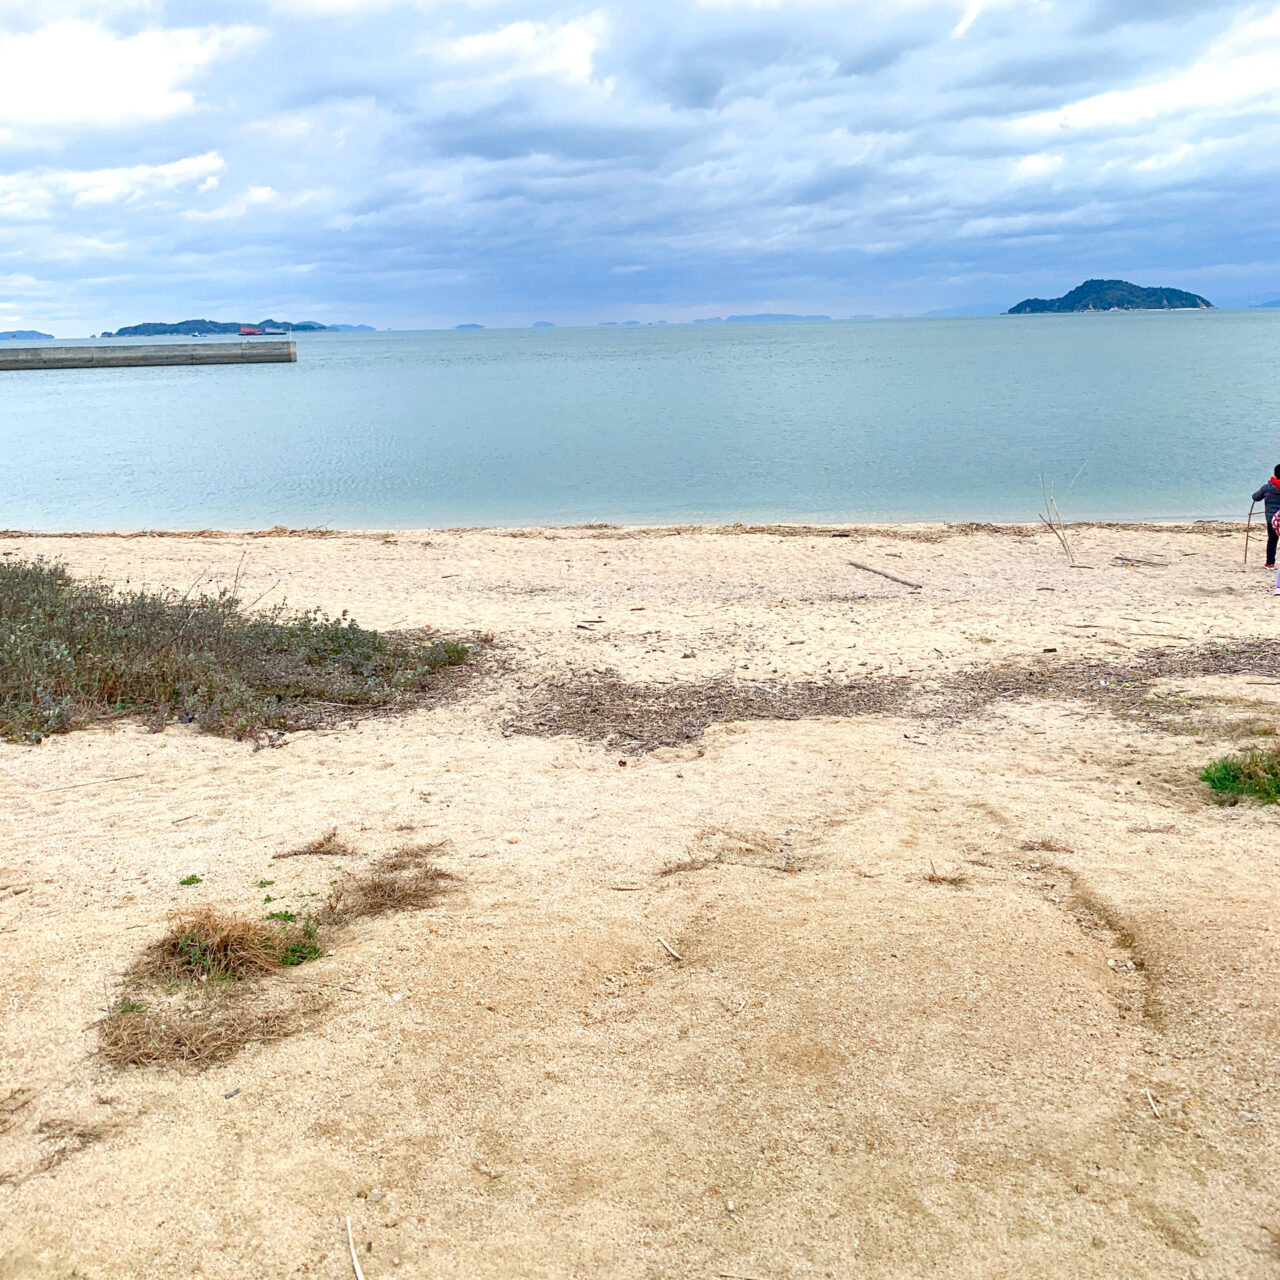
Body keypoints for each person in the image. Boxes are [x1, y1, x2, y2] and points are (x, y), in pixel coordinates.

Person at [1253, 466, 1280, 569]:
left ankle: (1270, 563)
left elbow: (1256, 497)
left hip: (1271, 519)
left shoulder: (1268, 487)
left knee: (1272, 540)